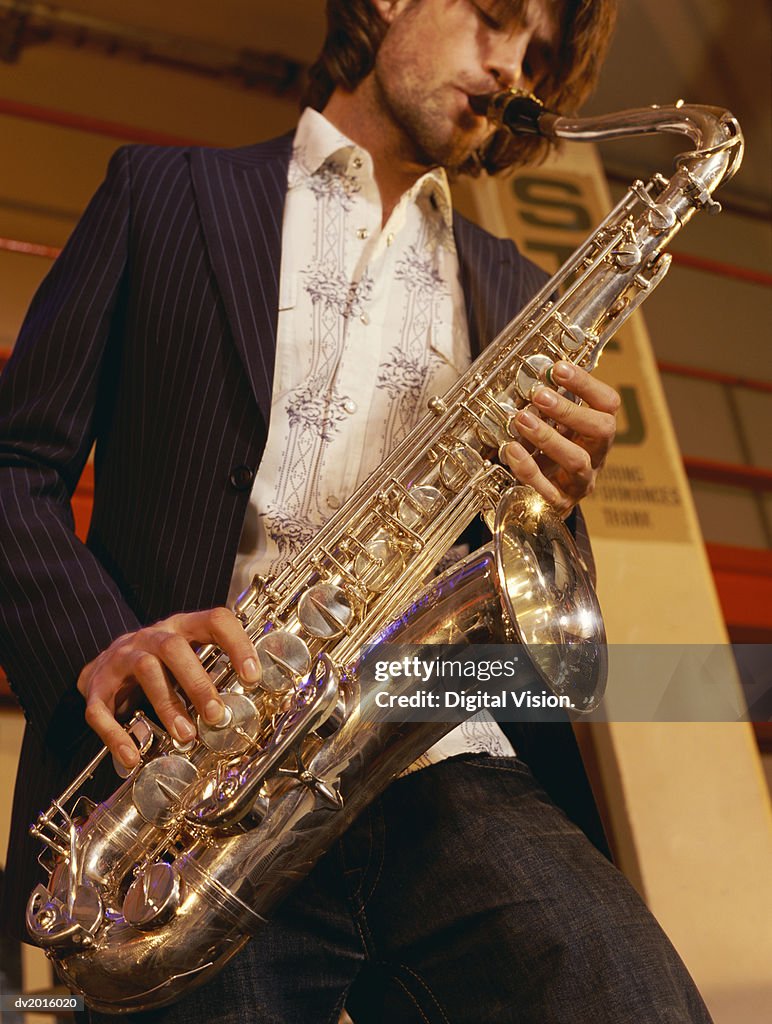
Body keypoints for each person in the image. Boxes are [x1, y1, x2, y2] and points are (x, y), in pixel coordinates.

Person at [0, 1, 714, 1021]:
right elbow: (14, 463)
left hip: (444, 761)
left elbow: (527, 639)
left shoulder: (518, 288)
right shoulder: (161, 192)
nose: (516, 66)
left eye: (541, 54)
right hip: (198, 785)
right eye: (497, 15)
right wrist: (105, 643)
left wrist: (543, 508)